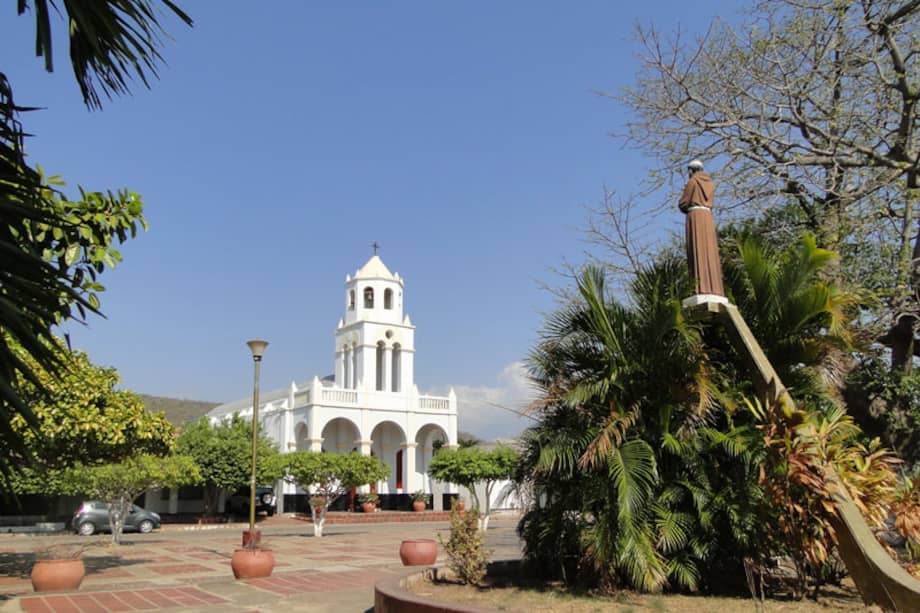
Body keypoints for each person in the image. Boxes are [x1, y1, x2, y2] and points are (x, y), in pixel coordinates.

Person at [679, 159, 725, 298]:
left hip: (696, 217)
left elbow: (683, 202)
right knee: (710, 250)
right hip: (707, 217)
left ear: (691, 170)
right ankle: (714, 287)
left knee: (698, 248)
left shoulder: (692, 182)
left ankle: (701, 288)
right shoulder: (710, 184)